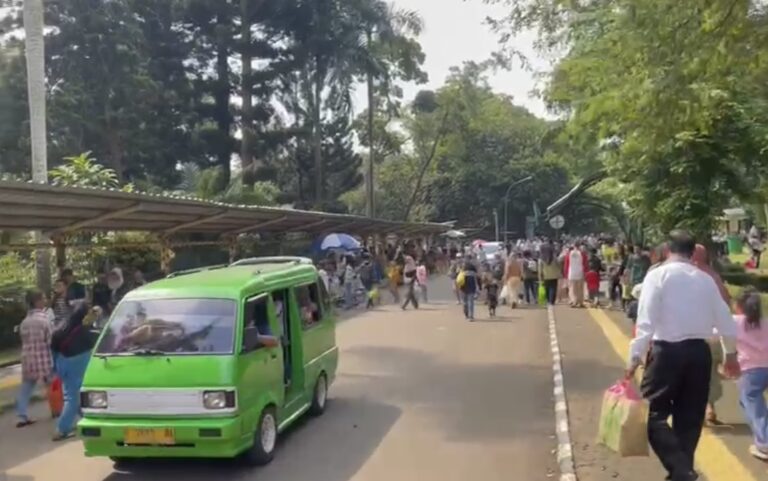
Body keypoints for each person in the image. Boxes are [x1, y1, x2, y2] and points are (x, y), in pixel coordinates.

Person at [627, 230, 740, 481]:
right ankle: (681, 472)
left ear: (668, 249)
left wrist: (634, 358)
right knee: (689, 420)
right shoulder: (705, 279)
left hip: (666, 352)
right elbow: (725, 320)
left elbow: (645, 322)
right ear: (692, 252)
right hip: (699, 354)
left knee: (650, 415)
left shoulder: (658, 276)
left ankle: (681, 471)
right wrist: (730, 354)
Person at [50, 304, 97, 440]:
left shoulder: (62, 328)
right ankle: (61, 429)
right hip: (77, 365)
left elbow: (53, 349)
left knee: (72, 394)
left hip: (62, 364)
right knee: (73, 399)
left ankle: (87, 418)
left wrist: (55, 368)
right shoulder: (85, 332)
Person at [734, 287, 768, 460]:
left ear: (739, 305)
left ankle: (764, 442)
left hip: (751, 370)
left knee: (753, 404)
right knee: (747, 401)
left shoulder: (736, 321)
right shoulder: (765, 321)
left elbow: (714, 334)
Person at [16, 289, 54, 428]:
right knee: (52, 385)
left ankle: (22, 416)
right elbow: (51, 339)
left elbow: (23, 339)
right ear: (37, 302)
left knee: (26, 388)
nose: (45, 301)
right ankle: (56, 410)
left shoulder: (24, 322)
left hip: (27, 358)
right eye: (43, 298)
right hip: (44, 357)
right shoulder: (44, 319)